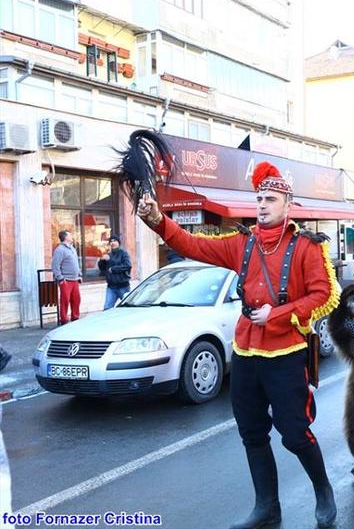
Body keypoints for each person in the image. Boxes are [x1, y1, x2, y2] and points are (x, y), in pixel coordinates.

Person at [136, 161, 338, 529]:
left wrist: (278, 314)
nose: (262, 204)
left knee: (295, 433)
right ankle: (267, 508)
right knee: (252, 433)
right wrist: (157, 219)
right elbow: (192, 244)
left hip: (286, 354)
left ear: (287, 204)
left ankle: (323, 491)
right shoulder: (242, 242)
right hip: (245, 352)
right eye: (259, 198)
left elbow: (324, 295)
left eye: (271, 199)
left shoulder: (307, 247)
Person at [52, 230, 82, 324]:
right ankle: (64, 320)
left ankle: (75, 318)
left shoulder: (72, 248)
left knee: (76, 300)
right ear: (65, 237)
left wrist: (79, 274)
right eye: (70, 235)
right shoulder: (59, 250)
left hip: (75, 280)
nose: (72, 236)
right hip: (66, 280)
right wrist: (60, 278)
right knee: (65, 301)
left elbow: (76, 263)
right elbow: (55, 265)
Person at [98, 234, 132, 310]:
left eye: (114, 241)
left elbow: (127, 265)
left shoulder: (124, 254)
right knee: (107, 308)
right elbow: (102, 268)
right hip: (111, 287)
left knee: (128, 307)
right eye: (111, 241)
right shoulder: (108, 255)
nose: (112, 243)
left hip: (123, 286)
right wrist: (102, 260)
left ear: (118, 243)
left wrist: (113, 269)